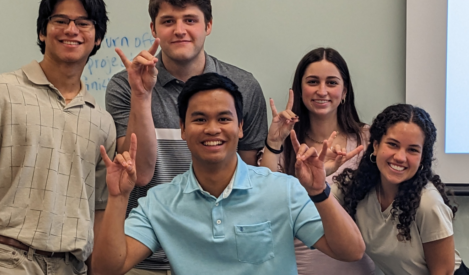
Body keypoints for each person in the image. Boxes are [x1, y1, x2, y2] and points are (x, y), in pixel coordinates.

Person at [93, 73, 365, 275]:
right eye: (199, 119)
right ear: (183, 129)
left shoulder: (283, 189)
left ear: (241, 127)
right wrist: (118, 197)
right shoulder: (161, 202)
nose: (212, 129)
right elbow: (108, 269)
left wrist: (319, 192)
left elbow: (351, 251)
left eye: (224, 119)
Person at [0, 0, 116, 275]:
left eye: (83, 23)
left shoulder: (101, 120)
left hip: (72, 266)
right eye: (60, 21)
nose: (71, 30)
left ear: (98, 37)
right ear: (43, 31)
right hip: (6, 260)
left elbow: (99, 210)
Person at [105, 0, 267, 273]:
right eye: (168, 21)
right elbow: (139, 174)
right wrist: (142, 95)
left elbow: (249, 180)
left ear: (208, 25)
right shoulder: (125, 85)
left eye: (190, 19)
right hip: (145, 258)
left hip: (219, 257)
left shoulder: (243, 86)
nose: (179, 30)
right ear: (154, 29)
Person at [260, 48, 375, 274]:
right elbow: (263, 201)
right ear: (300, 89)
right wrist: (274, 141)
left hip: (358, 267)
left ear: (344, 92)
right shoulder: (286, 143)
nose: (322, 91)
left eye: (331, 83)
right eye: (313, 82)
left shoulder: (368, 141)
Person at [333, 104, 469, 275]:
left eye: (412, 150)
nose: (400, 157)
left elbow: (443, 272)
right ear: (376, 146)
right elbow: (314, 199)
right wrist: (321, 173)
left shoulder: (428, 203)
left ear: (422, 159)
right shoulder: (356, 188)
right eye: (393, 144)